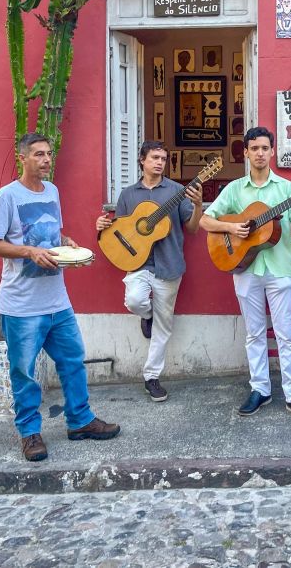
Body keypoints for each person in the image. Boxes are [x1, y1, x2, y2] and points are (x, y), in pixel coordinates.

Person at [0, 133, 120, 462]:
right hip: (21, 305)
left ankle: (80, 420)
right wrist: (29, 252)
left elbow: (51, 233)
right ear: (23, 158)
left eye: (48, 153)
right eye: (39, 154)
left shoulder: (52, 192)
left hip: (57, 301)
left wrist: (67, 242)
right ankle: (29, 432)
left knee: (73, 361)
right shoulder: (7, 197)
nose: (46, 159)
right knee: (24, 372)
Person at [200, 127, 291, 423]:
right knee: (254, 333)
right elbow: (205, 220)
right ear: (246, 153)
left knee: (286, 334)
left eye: (265, 148)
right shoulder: (235, 189)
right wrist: (231, 227)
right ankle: (260, 389)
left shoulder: (287, 188)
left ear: (273, 151)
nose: (260, 153)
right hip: (246, 269)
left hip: (280, 269)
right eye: (254, 148)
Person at [96, 141, 203, 402]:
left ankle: (151, 377)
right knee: (134, 300)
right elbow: (119, 228)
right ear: (142, 160)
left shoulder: (177, 191)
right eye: (155, 157)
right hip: (138, 263)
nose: (159, 162)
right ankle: (147, 315)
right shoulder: (128, 194)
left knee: (163, 326)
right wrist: (101, 225)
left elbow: (192, 229)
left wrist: (198, 206)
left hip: (169, 264)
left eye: (163, 159)